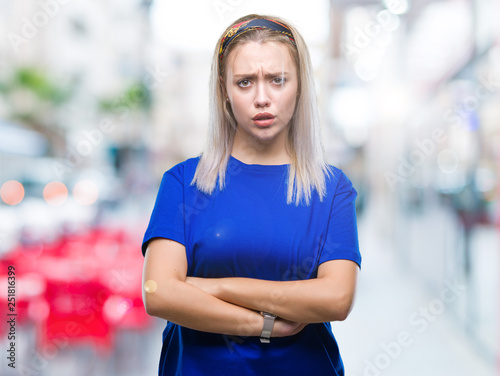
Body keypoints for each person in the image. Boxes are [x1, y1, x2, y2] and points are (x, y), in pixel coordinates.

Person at [141, 13, 361, 376]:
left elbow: (336, 299)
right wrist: (265, 325)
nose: (262, 98)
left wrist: (214, 287)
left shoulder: (331, 188)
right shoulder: (183, 182)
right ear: (224, 92)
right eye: (245, 82)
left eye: (277, 80)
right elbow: (158, 291)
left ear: (300, 86)